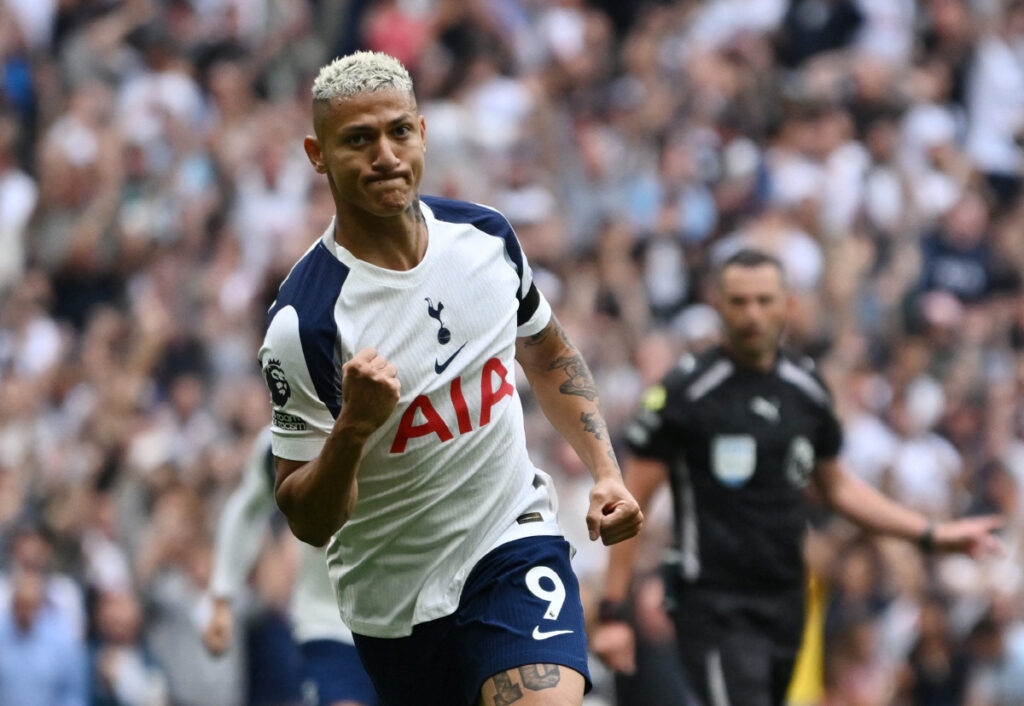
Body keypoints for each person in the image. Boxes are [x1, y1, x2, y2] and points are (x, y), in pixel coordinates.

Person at [258, 51, 643, 706]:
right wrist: (353, 427)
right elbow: (306, 519)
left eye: (398, 132)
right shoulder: (305, 322)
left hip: (512, 545)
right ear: (318, 155)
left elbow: (546, 351)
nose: (385, 155)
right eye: (359, 139)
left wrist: (605, 470)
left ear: (422, 132)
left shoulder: (485, 238)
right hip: (396, 607)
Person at [591, 248, 1003, 706]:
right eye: (739, 301)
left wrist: (931, 534)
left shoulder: (805, 389)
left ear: (788, 305)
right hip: (713, 601)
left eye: (764, 300)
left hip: (786, 601)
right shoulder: (685, 392)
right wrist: (612, 611)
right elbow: (632, 499)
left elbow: (839, 488)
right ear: (719, 305)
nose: (752, 314)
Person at [202, 426, 378, 706]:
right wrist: (222, 596)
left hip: (412, 617)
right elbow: (246, 510)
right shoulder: (280, 440)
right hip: (328, 622)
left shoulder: (404, 422)